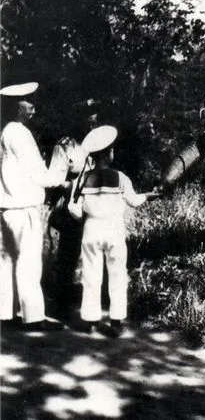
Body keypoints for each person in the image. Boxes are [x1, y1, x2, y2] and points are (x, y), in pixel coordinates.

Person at [68, 126, 154, 337]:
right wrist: (150, 195)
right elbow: (134, 201)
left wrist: (83, 218)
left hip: (91, 229)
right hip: (114, 229)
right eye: (112, 150)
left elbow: (74, 208)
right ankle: (116, 320)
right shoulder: (120, 177)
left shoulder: (83, 178)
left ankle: (91, 320)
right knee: (117, 273)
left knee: (91, 274)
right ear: (108, 154)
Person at [0, 82, 67, 331]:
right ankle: (33, 318)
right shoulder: (21, 134)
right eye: (30, 104)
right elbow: (40, 174)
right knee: (29, 261)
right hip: (25, 206)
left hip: (7, 207)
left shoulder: (5, 132)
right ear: (18, 107)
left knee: (7, 261)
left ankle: (6, 315)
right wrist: (62, 173)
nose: (34, 109)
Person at [47, 99, 100, 320]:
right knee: (67, 254)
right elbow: (54, 178)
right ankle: (61, 303)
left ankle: (87, 300)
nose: (91, 126)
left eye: (94, 121)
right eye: (88, 120)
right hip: (68, 208)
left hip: (89, 206)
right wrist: (72, 184)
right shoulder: (64, 145)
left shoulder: (95, 144)